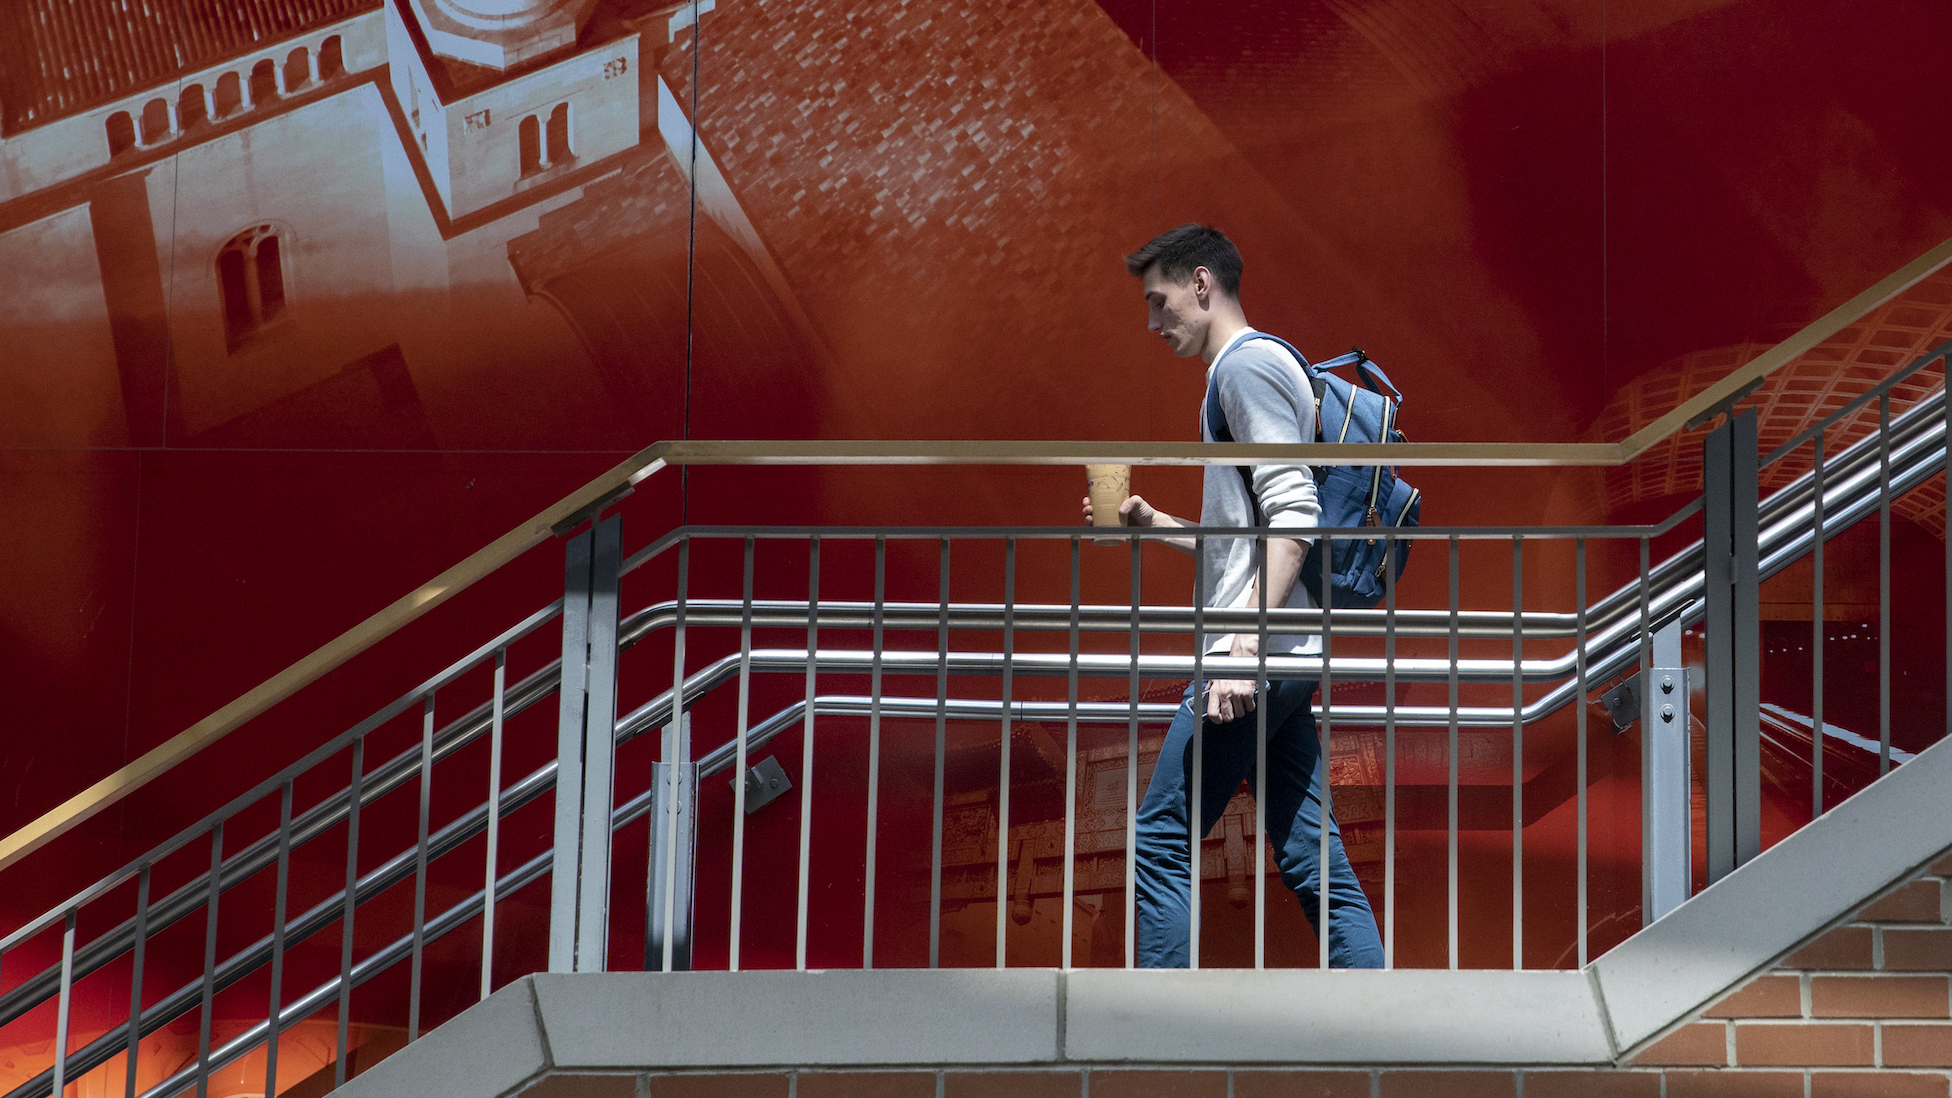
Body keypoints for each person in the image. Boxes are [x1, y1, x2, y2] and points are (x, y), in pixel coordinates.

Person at [1084, 223, 1383, 968]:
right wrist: (1153, 523)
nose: (1153, 325)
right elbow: (1253, 538)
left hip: (1255, 656)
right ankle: (1375, 1007)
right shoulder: (1264, 368)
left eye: (1160, 303)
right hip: (1284, 655)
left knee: (1162, 834)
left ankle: (1162, 1035)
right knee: (1314, 858)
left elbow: (1294, 516)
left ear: (1202, 284)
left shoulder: (1243, 371)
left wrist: (1240, 649)